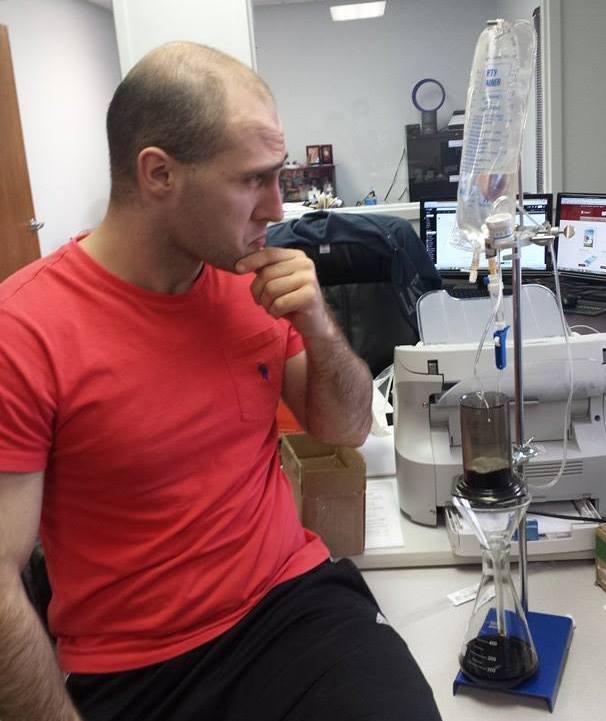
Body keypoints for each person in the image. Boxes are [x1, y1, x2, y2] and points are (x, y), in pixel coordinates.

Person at [0, 42, 442, 721]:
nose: (277, 206)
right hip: (135, 667)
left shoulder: (251, 281)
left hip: (292, 607)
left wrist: (319, 325)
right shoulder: (24, 329)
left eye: (279, 176)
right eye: (253, 180)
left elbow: (346, 427)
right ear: (158, 173)